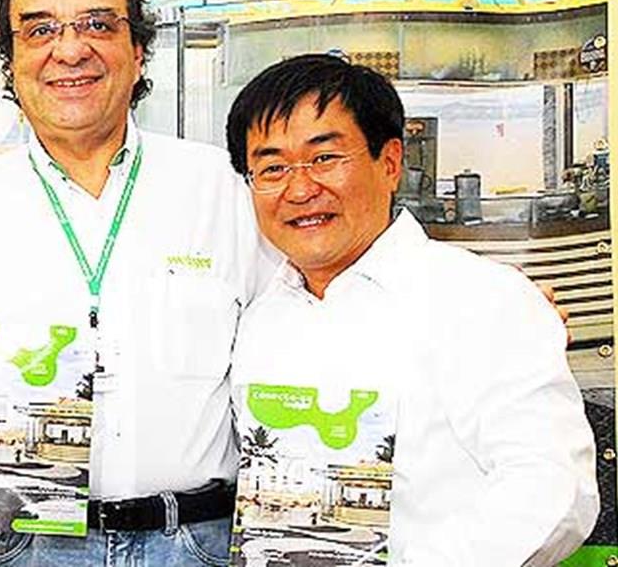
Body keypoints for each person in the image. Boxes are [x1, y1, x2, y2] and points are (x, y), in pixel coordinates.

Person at [0, 0, 271, 565]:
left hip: (196, 542)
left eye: (97, 24)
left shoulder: (228, 191)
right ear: (10, 60)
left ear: (138, 50)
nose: (70, 49)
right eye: (40, 30)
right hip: (20, 545)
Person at [224, 53, 599, 565]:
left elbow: (552, 489)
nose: (301, 188)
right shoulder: (259, 320)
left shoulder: (483, 300)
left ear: (390, 162)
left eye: (325, 158)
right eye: (272, 168)